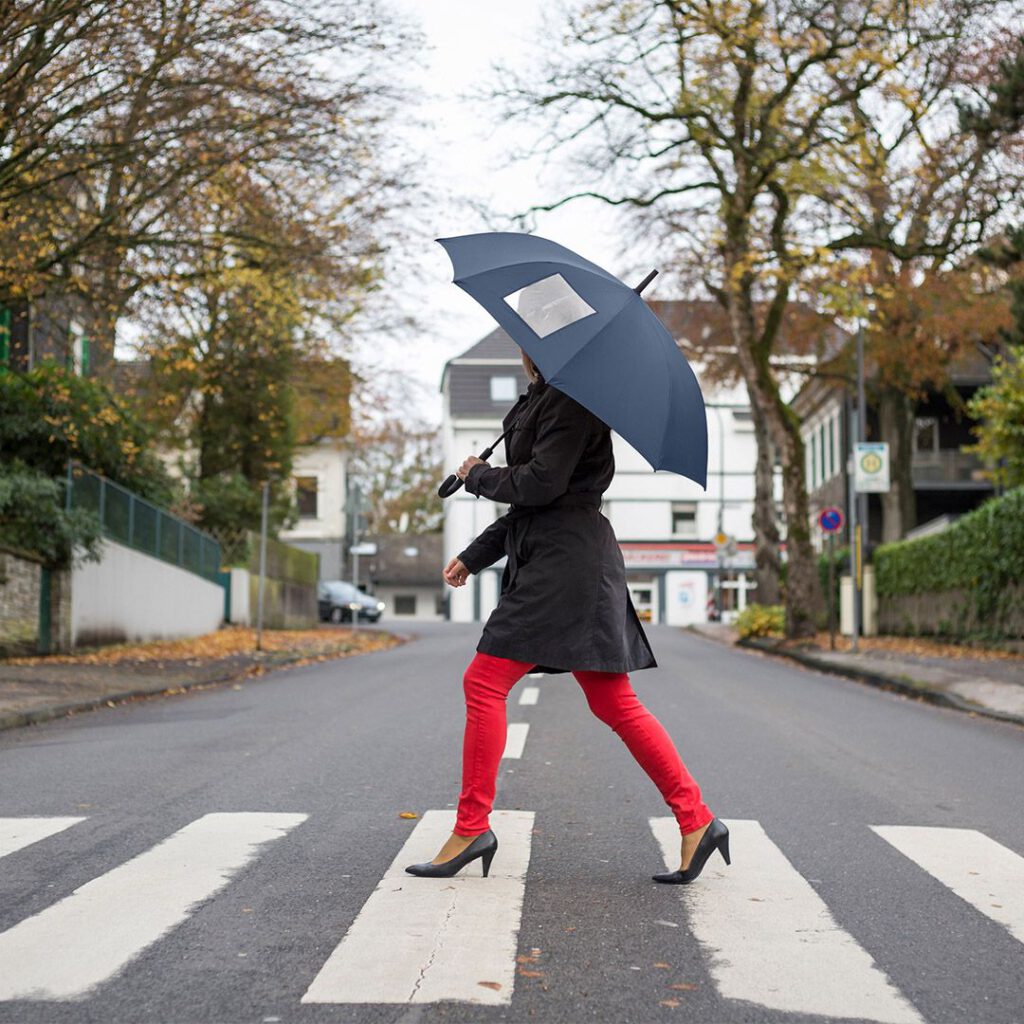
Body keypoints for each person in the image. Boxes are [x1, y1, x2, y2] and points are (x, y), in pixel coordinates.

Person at [405, 347, 730, 884]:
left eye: (525, 342)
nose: (520, 351)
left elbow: (541, 485)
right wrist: (474, 555)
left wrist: (483, 475)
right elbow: (530, 506)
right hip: (567, 557)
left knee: (484, 682)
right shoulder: (543, 399)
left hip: (565, 566)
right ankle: (697, 820)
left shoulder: (572, 401)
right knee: (613, 700)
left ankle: (471, 828)